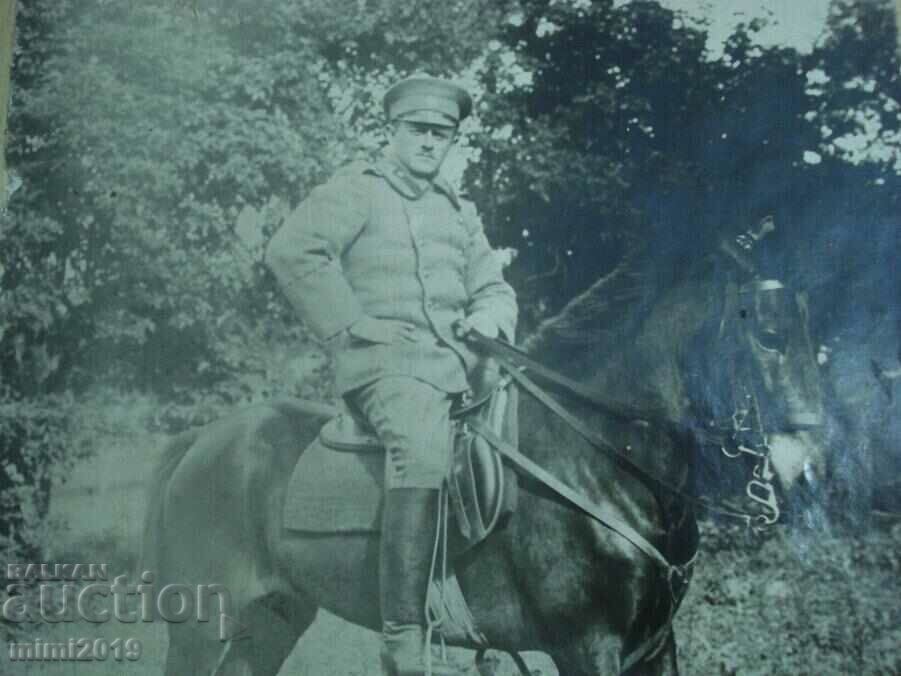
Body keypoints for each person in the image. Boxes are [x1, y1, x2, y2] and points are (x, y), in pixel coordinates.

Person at [265, 76, 517, 676]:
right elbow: (292, 249)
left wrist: (484, 319)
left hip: (459, 368)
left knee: (518, 437)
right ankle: (404, 633)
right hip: (385, 368)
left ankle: (492, 610)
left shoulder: (459, 211)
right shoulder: (359, 189)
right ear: (393, 131)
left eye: (442, 134)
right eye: (419, 130)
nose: (430, 142)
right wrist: (353, 322)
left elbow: (494, 286)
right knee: (423, 447)